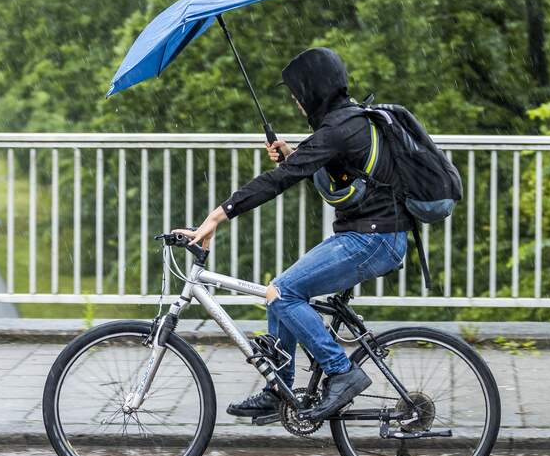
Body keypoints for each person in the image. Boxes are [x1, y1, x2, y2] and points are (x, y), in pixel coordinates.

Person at [175, 47, 409, 422]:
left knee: (283, 293)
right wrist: (293, 152)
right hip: (365, 235)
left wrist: (217, 215)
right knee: (281, 290)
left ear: (314, 90)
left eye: (298, 94)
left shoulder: (337, 129)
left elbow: (279, 180)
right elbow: (320, 164)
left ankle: (342, 372)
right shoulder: (346, 123)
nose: (297, 103)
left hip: (373, 240)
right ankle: (279, 391)